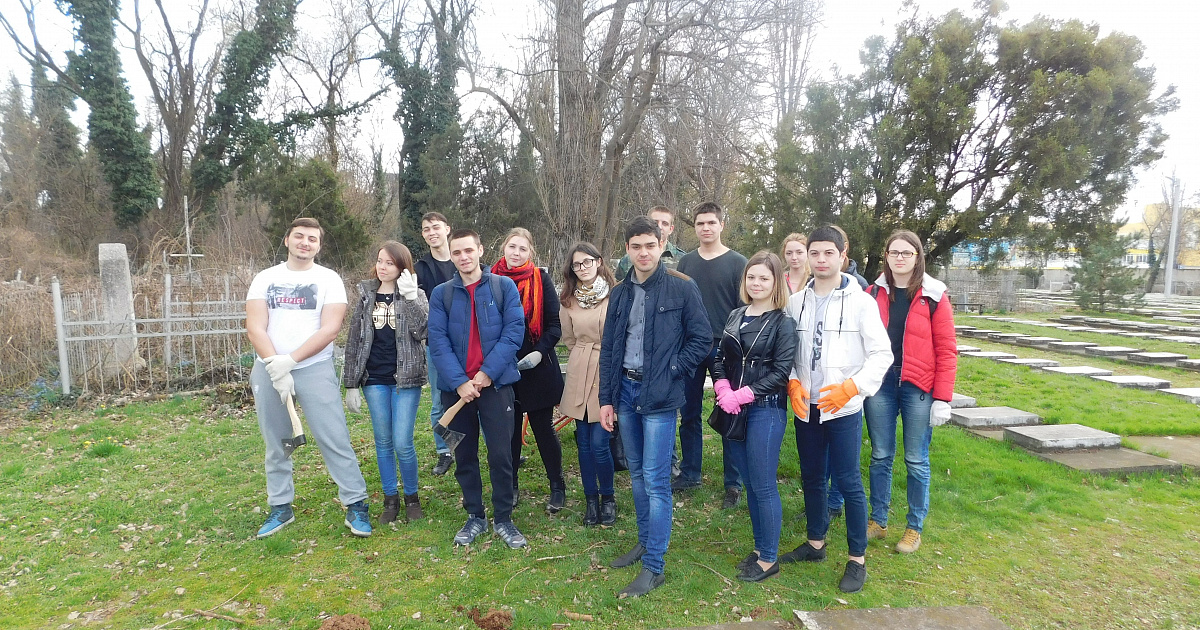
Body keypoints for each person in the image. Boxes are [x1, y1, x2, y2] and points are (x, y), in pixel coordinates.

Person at [599, 216, 710, 597]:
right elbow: (610, 349)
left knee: (657, 480)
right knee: (636, 474)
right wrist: (606, 399)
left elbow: (702, 339)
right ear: (627, 249)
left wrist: (672, 370)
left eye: (650, 245)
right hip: (626, 392)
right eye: (636, 247)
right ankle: (645, 541)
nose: (643, 253)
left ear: (662, 245)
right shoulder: (620, 292)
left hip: (661, 396)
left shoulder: (682, 287)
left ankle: (655, 566)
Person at [779, 225, 892, 594]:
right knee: (812, 477)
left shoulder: (861, 302)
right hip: (807, 406)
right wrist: (793, 381)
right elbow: (788, 353)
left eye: (829, 253)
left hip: (842, 408)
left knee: (847, 481)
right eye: (815, 253)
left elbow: (881, 354)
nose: (821, 260)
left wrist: (852, 388)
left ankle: (857, 558)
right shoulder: (796, 302)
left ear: (843, 255)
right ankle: (815, 543)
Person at [245, 217, 372, 539]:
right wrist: (275, 365)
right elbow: (255, 326)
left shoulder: (328, 279)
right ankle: (280, 506)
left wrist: (291, 360)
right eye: (299, 236)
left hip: (314, 368)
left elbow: (330, 329)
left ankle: (356, 503)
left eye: (312, 239)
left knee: (334, 438)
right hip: (269, 370)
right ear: (287, 240)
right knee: (277, 442)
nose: (305, 242)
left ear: (319, 246)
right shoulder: (265, 278)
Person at [427, 229, 529, 549]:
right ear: (452, 255)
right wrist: (460, 382)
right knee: (464, 455)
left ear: (480, 250)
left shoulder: (503, 287)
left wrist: (486, 374)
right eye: (457, 252)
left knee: (501, 454)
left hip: (496, 386)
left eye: (468, 250)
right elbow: (438, 342)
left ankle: (503, 518)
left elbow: (513, 333)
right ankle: (475, 515)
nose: (463, 257)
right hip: (455, 392)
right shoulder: (441, 295)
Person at [864, 230, 957, 554]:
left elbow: (947, 350)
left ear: (918, 257)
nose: (900, 258)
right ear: (886, 257)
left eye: (907, 253)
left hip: (919, 386)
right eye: (894, 252)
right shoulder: (873, 293)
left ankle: (914, 528)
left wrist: (942, 398)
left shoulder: (934, 296)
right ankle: (877, 521)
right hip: (881, 384)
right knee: (880, 455)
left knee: (916, 459)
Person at [711, 252, 797, 582]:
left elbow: (780, 373)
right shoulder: (736, 315)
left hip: (765, 410)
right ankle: (760, 548)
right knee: (748, 483)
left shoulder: (783, 323)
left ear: (776, 283)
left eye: (764, 278)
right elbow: (719, 357)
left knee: (763, 485)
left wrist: (743, 394)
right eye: (751, 277)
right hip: (733, 409)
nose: (756, 283)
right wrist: (722, 387)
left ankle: (769, 558)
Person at [343, 241, 429, 524]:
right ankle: (390, 498)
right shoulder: (366, 296)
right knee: (383, 442)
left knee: (403, 442)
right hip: (374, 379)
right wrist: (351, 384)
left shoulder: (415, 293)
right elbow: (354, 341)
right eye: (380, 261)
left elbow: (424, 330)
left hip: (406, 378)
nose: (382, 267)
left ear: (402, 266)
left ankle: (412, 497)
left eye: (390, 263)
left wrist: (411, 298)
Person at [674, 202, 748, 509]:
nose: (706, 228)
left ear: (721, 225)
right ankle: (690, 473)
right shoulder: (686, 262)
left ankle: (733, 482)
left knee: (730, 412)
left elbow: (745, 308)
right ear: (695, 227)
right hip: (690, 346)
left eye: (711, 223)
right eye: (700, 223)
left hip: (725, 347)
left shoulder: (738, 263)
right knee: (688, 412)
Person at [491, 228, 567, 514]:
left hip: (537, 367)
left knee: (543, 429)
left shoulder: (540, 279)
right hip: (503, 367)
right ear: (504, 247)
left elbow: (555, 326)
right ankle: (511, 485)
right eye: (512, 246)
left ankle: (557, 486)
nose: (516, 253)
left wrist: (539, 352)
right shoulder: (491, 279)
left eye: (523, 249)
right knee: (508, 432)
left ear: (531, 252)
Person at [559, 241, 619, 527]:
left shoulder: (615, 295)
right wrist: (583, 357)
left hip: (607, 369)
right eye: (576, 264)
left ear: (599, 261)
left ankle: (608, 497)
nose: (582, 268)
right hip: (580, 369)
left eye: (587, 261)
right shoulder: (568, 300)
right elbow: (569, 339)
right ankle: (590, 500)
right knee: (583, 444)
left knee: (599, 443)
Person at [415, 212, 458, 477]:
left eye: (436, 227)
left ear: (447, 229)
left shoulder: (462, 259)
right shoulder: (420, 269)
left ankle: (495, 446)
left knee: (482, 396)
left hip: (469, 341)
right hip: (437, 344)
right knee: (439, 401)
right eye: (426, 229)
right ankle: (445, 451)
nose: (431, 232)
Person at [615, 206, 688, 278]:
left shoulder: (684, 259)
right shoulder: (627, 260)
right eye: (655, 223)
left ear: (671, 229)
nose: (660, 227)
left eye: (665, 223)